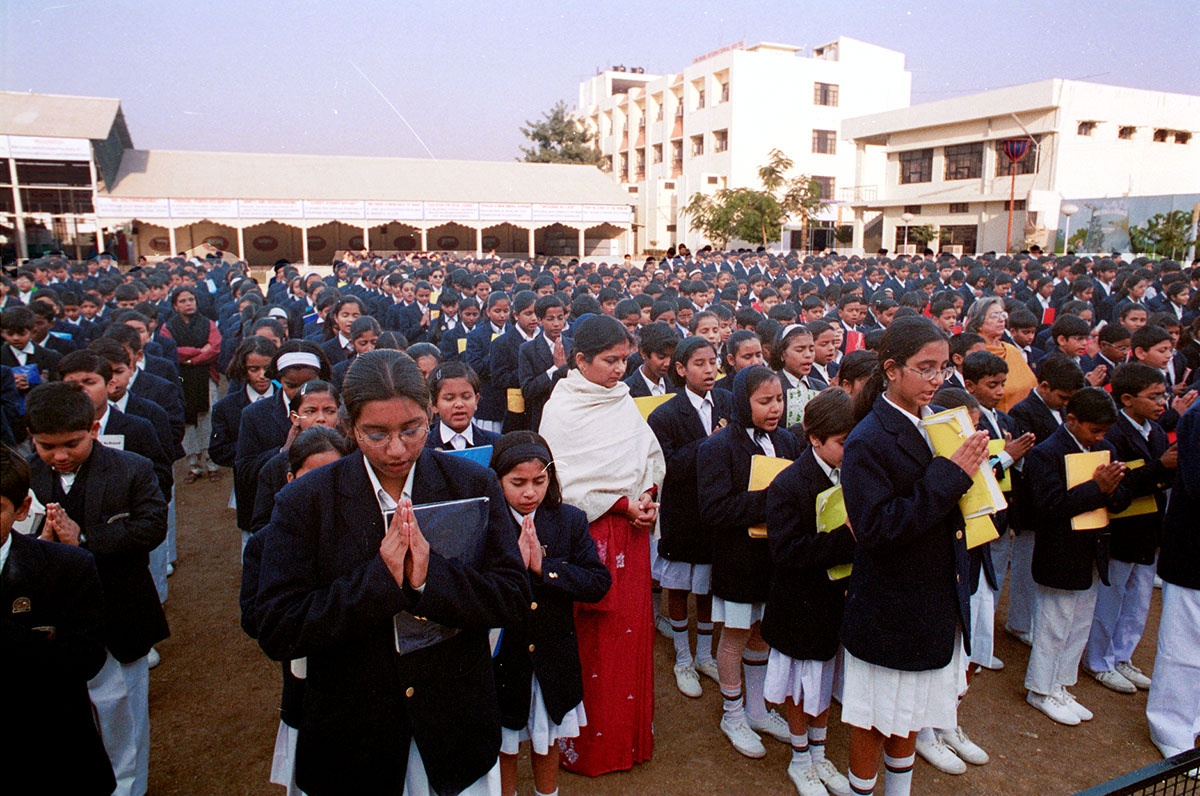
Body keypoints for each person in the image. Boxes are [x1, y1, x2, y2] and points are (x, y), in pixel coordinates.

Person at [252, 349, 530, 795]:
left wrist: (428, 579)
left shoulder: (471, 483)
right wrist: (378, 581)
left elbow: (512, 595)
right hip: (352, 733)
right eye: (376, 434)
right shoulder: (307, 501)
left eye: (411, 430)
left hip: (454, 725)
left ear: (429, 413)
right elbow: (279, 626)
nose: (397, 450)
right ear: (348, 428)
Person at [840, 316, 985, 796]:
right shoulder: (867, 439)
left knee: (911, 716)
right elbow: (877, 529)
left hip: (934, 595)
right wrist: (951, 477)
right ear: (892, 369)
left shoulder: (936, 423)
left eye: (943, 368)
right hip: (892, 602)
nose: (937, 380)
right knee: (876, 719)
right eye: (925, 368)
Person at [25, 382, 169, 796]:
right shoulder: (25, 474)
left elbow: (151, 527)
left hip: (120, 610)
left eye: (71, 444)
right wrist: (42, 545)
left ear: (92, 428)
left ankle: (130, 788)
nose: (59, 456)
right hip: (53, 621)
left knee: (125, 713)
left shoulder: (131, 468)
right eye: (46, 446)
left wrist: (84, 540)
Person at [539, 314, 665, 776]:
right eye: (610, 361)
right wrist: (618, 504)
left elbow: (649, 456)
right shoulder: (562, 408)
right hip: (589, 538)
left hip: (633, 537)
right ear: (580, 360)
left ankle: (629, 739)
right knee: (593, 641)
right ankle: (592, 747)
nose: (619, 370)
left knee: (632, 634)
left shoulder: (622, 399)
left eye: (623, 360)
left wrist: (647, 496)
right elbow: (561, 483)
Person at [490, 431, 611, 796]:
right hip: (505, 660)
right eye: (518, 483)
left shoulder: (569, 520)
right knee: (505, 744)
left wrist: (547, 568)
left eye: (539, 481)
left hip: (552, 656)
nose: (530, 492)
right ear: (497, 481)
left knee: (547, 739)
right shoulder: (486, 523)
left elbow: (598, 581)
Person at [240, 425, 355, 796]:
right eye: (312, 477)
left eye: (334, 476)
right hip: (306, 682)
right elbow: (257, 620)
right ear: (290, 479)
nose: (323, 488)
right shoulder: (266, 541)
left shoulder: (362, 531)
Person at [699, 365, 800, 758]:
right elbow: (714, 509)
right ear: (743, 402)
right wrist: (774, 498)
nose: (774, 409)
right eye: (764, 402)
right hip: (738, 559)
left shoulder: (789, 442)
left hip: (775, 557)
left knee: (763, 632)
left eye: (778, 400)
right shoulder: (719, 447)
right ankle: (733, 712)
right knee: (736, 635)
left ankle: (757, 709)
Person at [762, 388, 856, 796]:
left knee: (826, 677)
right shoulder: (789, 483)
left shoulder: (853, 472)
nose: (850, 451)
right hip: (799, 603)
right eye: (841, 443)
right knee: (802, 684)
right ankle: (800, 757)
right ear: (814, 438)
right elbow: (785, 550)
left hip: (839, 600)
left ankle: (819, 752)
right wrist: (844, 538)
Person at [1023, 387, 1131, 726]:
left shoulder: (1105, 449)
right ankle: (1040, 688)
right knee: (1054, 625)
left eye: (1104, 432)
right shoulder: (1046, 453)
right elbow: (1047, 507)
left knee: (1079, 624)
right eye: (1094, 430)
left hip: (1093, 549)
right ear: (1072, 420)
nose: (1100, 437)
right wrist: (1095, 489)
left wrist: (1112, 491)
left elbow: (1121, 500)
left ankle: (1061, 683)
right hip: (1060, 551)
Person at [647, 337, 730, 698]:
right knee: (679, 586)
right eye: (699, 363)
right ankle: (683, 656)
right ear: (681, 370)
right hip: (682, 511)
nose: (709, 369)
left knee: (709, 585)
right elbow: (667, 466)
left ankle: (704, 655)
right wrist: (711, 444)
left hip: (716, 511)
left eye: (713, 362)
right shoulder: (664, 414)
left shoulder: (728, 403)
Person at [1084, 363, 1175, 694]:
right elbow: (1116, 485)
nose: (1161, 402)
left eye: (1163, 395)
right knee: (1112, 596)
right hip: (1122, 529)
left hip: (1148, 529)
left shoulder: (1157, 431)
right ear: (1127, 398)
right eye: (1153, 396)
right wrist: (1159, 467)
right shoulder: (1114, 435)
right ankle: (1099, 660)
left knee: (1138, 602)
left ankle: (1122, 655)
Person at [1146, 399, 1200, 760]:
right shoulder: (1198, 417)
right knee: (1184, 646)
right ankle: (1171, 728)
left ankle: (1193, 719)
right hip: (1194, 551)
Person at [248, 381, 344, 538]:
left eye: (329, 411)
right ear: (295, 418)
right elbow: (261, 526)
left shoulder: (351, 457)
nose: (321, 418)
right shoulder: (275, 467)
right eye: (310, 411)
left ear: (339, 415)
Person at [160, 286, 222, 483]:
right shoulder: (168, 327)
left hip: (205, 376)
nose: (188, 304)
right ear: (175, 305)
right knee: (187, 420)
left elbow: (215, 348)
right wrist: (197, 351)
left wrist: (191, 360)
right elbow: (171, 350)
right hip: (181, 378)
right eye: (183, 301)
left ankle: (211, 462)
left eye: (191, 300)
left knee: (208, 417)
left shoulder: (208, 324)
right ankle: (194, 465)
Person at [963, 296, 1036, 412]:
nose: (1001, 320)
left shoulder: (1011, 349)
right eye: (994, 316)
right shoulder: (973, 353)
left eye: (1003, 315)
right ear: (978, 323)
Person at [517, 295, 571, 432]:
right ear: (540, 320)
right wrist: (556, 369)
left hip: (569, 414)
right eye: (550, 319)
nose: (557, 324)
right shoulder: (528, 349)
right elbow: (527, 390)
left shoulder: (573, 345)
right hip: (541, 416)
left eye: (560, 318)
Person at [425, 361, 502, 452]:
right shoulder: (424, 446)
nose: (459, 404)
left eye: (466, 397)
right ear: (434, 405)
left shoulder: (495, 443)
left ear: (476, 400)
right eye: (449, 398)